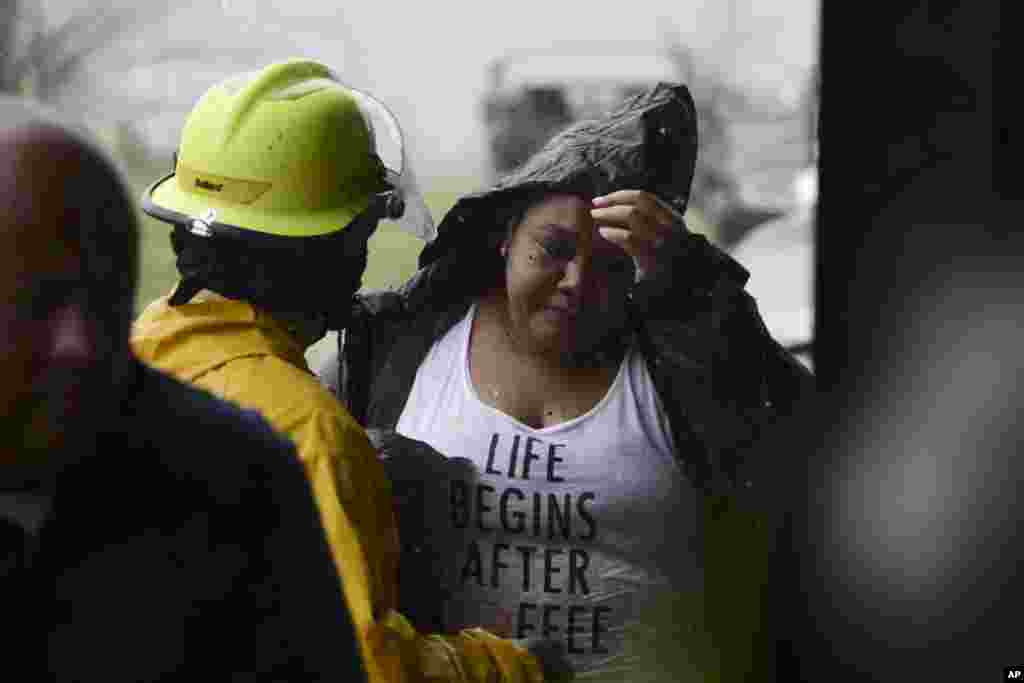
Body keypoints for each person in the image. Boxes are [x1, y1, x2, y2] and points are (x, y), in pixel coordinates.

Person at [318, 83, 815, 680]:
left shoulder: (687, 357)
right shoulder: (398, 347)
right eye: (552, 249)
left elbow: (809, 451)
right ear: (504, 237)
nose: (577, 280)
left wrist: (696, 292)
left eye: (610, 263)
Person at [131, 59, 562, 683]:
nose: (359, 268)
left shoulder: (144, 351)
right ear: (309, 252)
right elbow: (363, 664)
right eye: (355, 238)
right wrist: (514, 665)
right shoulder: (308, 432)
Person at [0, 97, 365, 681]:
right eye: (38, 304)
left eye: (104, 301)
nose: (82, 343)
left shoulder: (238, 476)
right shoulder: (298, 433)